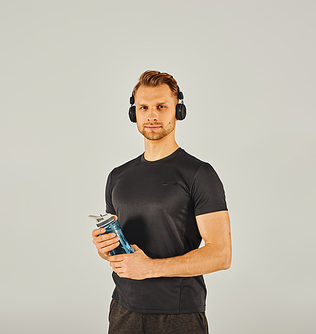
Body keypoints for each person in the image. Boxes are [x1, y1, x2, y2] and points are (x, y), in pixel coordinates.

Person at [92, 70, 232, 334]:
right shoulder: (118, 176)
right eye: (143, 107)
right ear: (134, 114)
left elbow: (221, 255)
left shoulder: (199, 174)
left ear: (178, 111)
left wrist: (150, 268)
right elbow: (117, 250)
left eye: (161, 107)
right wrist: (104, 247)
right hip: (123, 310)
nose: (152, 115)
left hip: (178, 315)